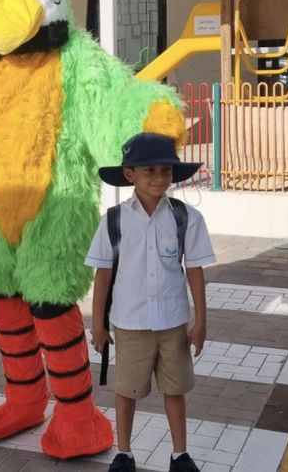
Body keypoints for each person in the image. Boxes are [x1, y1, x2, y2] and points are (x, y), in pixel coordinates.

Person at [86, 132, 216, 472]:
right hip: (130, 323)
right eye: (150, 171)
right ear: (130, 175)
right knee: (126, 390)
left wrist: (200, 321)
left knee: (175, 389)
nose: (159, 178)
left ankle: (180, 454)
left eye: (166, 171)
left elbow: (195, 270)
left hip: (173, 322)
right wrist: (97, 324)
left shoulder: (185, 218)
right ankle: (124, 453)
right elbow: (102, 275)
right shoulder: (114, 220)